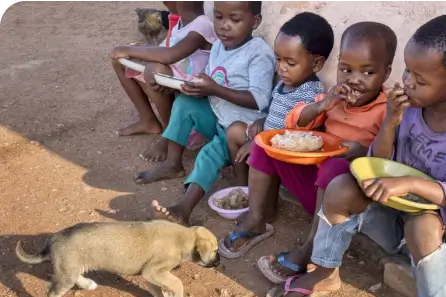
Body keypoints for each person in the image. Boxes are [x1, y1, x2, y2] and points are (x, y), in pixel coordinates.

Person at [264, 14, 446, 297]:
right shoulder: (411, 111)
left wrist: (410, 184)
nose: (407, 83)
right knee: (341, 186)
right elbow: (380, 162)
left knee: (423, 224)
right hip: (395, 219)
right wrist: (390, 121)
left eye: (420, 79)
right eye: (407, 71)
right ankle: (324, 271)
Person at [218, 22, 398, 277]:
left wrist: (360, 150)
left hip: (346, 199)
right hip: (313, 185)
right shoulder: (335, 97)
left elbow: (386, 160)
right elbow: (295, 121)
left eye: (367, 73)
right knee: (265, 143)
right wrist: (323, 105)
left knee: (335, 166)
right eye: (346, 69)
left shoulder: (387, 110)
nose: (354, 80)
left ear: (386, 72)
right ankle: (257, 219)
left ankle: (312, 246)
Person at [139, 0, 276, 224]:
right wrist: (195, 88)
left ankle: (184, 209)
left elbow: (259, 100)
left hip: (238, 128)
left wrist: (214, 89)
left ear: (255, 21)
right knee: (184, 103)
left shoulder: (258, 54)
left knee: (208, 155)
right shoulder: (220, 46)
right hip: (216, 113)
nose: (224, 26)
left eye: (235, 19)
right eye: (219, 17)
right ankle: (173, 163)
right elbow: (212, 81)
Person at [226, 12, 334, 185]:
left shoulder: (312, 93)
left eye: (290, 63)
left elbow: (299, 135)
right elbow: (275, 113)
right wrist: (263, 120)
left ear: (316, 64)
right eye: (278, 59)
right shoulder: (283, 83)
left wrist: (258, 143)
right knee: (234, 131)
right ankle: (243, 186)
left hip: (286, 151)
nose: (281, 67)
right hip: (266, 139)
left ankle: (262, 200)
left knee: (260, 154)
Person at [110, 0, 216, 161]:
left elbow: (170, 55)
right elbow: (166, 50)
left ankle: (170, 135)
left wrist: (128, 50)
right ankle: (148, 120)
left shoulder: (203, 25)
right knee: (120, 62)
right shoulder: (182, 22)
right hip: (175, 86)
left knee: (155, 70)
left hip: (191, 96)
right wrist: (137, 49)